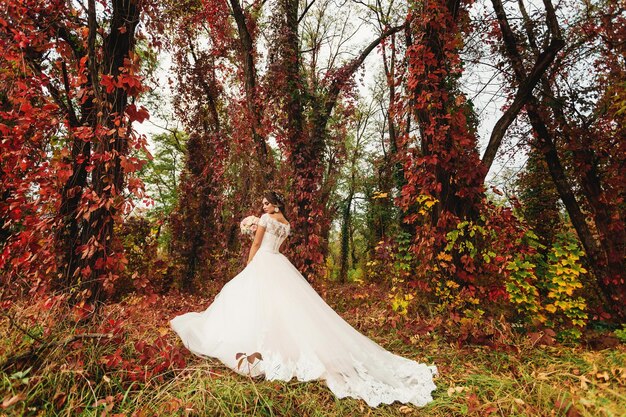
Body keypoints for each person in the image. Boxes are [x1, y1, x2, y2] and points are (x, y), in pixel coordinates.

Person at [170, 190, 437, 407]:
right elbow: (276, 244)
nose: (263, 207)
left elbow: (256, 245)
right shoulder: (286, 225)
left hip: (263, 261)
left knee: (255, 300)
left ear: (276, 204)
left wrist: (250, 262)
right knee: (284, 306)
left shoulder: (265, 220)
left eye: (267, 203)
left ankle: (257, 344)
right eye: (262, 204)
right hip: (278, 261)